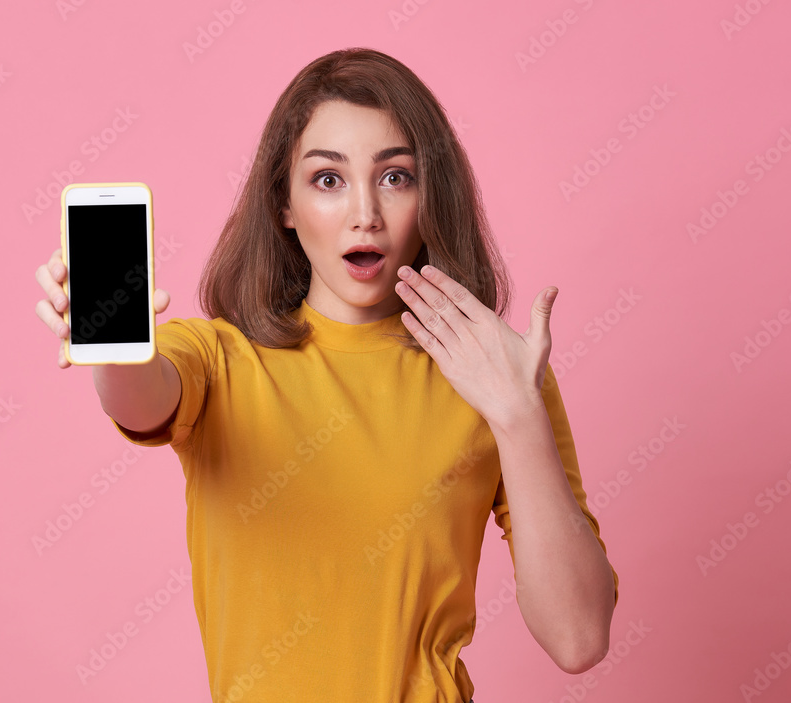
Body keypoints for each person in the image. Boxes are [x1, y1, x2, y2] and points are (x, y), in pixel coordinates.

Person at [35, 47, 618, 703]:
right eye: (328, 180)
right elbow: (142, 400)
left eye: (395, 176)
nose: (364, 211)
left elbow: (579, 636)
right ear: (284, 204)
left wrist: (517, 415)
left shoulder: (498, 372)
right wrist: (113, 343)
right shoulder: (223, 359)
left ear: (430, 195)